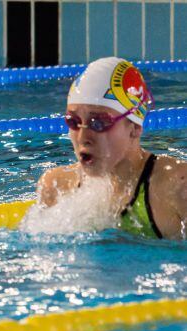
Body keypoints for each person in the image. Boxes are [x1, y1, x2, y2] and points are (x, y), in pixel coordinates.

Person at [37, 57, 187, 239]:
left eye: (99, 123)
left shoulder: (176, 187)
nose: (83, 137)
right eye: (73, 121)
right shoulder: (56, 187)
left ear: (135, 128)